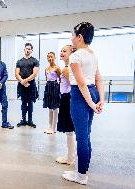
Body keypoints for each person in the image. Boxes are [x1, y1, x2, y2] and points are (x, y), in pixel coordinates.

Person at [62, 22, 104, 185]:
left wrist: (93, 104)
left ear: (79, 37)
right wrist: (100, 99)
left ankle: (81, 176)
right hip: (92, 92)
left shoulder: (75, 56)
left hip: (80, 95)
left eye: (73, 35)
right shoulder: (93, 54)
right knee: (86, 134)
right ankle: (81, 169)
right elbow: (98, 78)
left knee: (81, 137)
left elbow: (81, 83)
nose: (72, 38)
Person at [55, 45, 76, 165]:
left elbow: (74, 84)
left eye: (64, 51)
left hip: (67, 99)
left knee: (69, 130)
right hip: (66, 98)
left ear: (71, 53)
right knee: (70, 131)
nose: (61, 52)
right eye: (61, 50)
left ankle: (70, 158)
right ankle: (71, 155)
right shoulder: (66, 67)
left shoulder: (67, 69)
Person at [15, 43, 39, 128]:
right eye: (26, 49)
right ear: (24, 50)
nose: (27, 50)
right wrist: (22, 81)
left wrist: (26, 80)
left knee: (30, 102)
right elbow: (17, 73)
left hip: (31, 84)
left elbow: (35, 73)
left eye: (29, 49)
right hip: (22, 85)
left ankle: (30, 120)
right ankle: (23, 120)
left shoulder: (35, 61)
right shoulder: (19, 61)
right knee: (23, 103)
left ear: (32, 50)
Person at [43, 52, 61, 134]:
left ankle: (54, 128)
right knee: (50, 108)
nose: (50, 59)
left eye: (51, 57)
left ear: (54, 57)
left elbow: (61, 79)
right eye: (48, 57)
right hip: (48, 87)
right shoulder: (46, 69)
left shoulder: (57, 68)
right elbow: (47, 78)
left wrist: (59, 89)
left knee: (55, 108)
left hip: (55, 87)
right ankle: (49, 127)